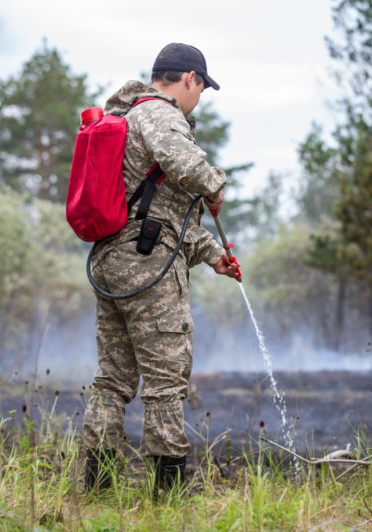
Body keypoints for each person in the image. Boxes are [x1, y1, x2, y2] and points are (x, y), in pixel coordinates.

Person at [81, 43, 240, 495]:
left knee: (112, 380)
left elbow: (163, 217)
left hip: (114, 262)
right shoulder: (160, 113)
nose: (199, 99)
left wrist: (213, 256)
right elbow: (183, 163)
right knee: (167, 382)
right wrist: (215, 184)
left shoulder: (132, 114)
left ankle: (97, 490)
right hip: (145, 267)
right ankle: (166, 498)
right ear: (190, 78)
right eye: (202, 89)